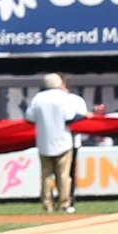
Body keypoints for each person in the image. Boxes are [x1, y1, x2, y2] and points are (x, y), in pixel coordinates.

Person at [24, 72, 88, 214]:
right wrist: (85, 116)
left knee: (46, 175)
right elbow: (70, 117)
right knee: (64, 175)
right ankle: (64, 203)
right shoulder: (64, 98)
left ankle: (48, 205)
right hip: (63, 141)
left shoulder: (38, 98)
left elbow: (29, 117)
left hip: (44, 142)